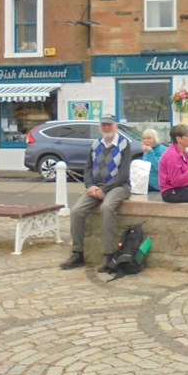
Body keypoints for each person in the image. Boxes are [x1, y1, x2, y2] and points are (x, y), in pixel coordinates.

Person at [60, 114, 132, 272]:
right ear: (100, 127)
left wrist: (104, 189)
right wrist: (90, 185)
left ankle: (108, 255)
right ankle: (77, 253)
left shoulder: (124, 143)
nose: (106, 128)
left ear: (115, 126)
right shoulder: (95, 144)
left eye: (109, 125)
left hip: (118, 186)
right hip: (96, 186)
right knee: (77, 211)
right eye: (104, 125)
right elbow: (87, 168)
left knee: (107, 208)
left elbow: (123, 174)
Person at [140, 128, 167, 193]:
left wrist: (150, 152)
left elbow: (159, 168)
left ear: (155, 139)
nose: (145, 141)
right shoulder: (147, 150)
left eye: (149, 138)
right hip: (146, 182)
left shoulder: (162, 150)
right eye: (144, 138)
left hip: (157, 185)